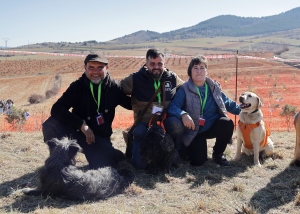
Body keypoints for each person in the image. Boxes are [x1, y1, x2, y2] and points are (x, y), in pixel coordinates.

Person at [42, 54, 132, 169]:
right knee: (51, 125)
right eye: (91, 67)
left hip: (99, 137)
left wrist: (147, 90)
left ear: (107, 68)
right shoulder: (77, 87)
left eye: (100, 67)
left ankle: (114, 154)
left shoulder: (114, 87)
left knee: (106, 165)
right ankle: (60, 162)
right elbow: (57, 109)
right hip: (77, 132)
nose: (95, 71)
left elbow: (131, 105)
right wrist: (81, 125)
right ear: (85, 68)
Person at [167, 55, 240, 167]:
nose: (199, 71)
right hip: (194, 130)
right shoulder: (184, 89)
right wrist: (183, 114)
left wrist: (245, 110)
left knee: (227, 123)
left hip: (212, 125)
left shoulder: (214, 87)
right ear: (190, 71)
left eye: (202, 68)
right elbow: (173, 107)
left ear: (206, 71)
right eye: (195, 68)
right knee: (198, 162)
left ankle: (218, 154)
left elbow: (227, 102)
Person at [121, 48, 184, 170]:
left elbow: (186, 88)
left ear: (164, 64)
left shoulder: (172, 78)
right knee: (140, 165)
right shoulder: (135, 79)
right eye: (152, 64)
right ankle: (137, 147)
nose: (156, 67)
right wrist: (131, 105)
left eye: (160, 63)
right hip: (145, 123)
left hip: (164, 122)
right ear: (146, 64)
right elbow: (116, 89)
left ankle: (177, 152)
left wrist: (209, 83)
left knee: (176, 125)